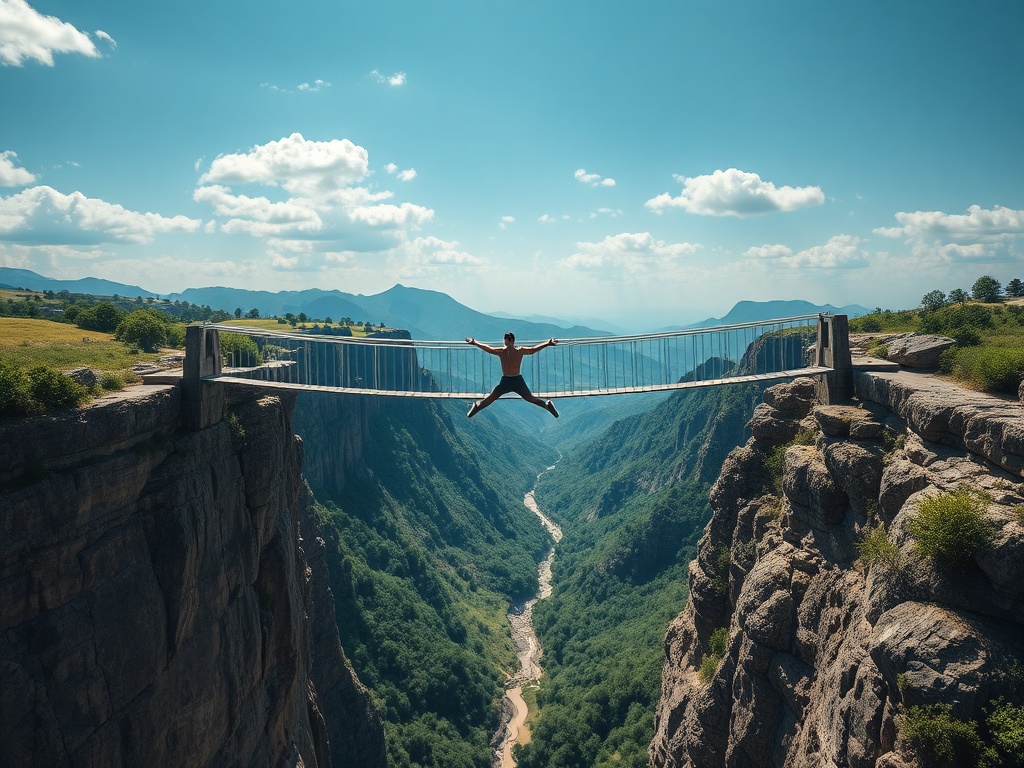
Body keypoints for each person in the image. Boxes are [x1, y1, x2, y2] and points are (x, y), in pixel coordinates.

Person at [465, 332, 559, 418]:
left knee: (529, 398)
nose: (508, 343)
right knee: (492, 397)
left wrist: (547, 343)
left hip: (515, 380)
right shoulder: (504, 351)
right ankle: (477, 406)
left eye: (509, 341)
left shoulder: (517, 350)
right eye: (507, 341)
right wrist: (475, 343)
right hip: (509, 380)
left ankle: (547, 405)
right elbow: (488, 349)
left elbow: (533, 350)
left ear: (512, 341)